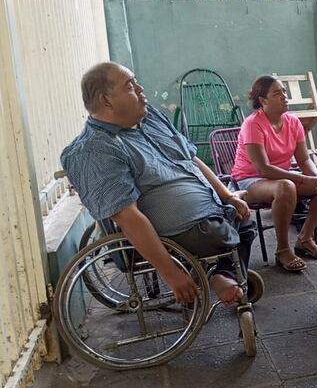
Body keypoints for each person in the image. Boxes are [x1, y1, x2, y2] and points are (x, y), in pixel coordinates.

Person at [62, 62, 255, 306]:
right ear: (106, 100)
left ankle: (221, 273)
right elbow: (127, 217)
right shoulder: (94, 151)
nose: (141, 89)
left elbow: (190, 157)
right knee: (230, 231)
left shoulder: (148, 116)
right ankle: (220, 273)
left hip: (213, 211)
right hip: (191, 228)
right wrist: (171, 275)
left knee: (243, 213)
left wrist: (227, 196)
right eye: (130, 86)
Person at [230, 75, 317, 272]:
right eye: (277, 94)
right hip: (249, 181)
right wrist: (302, 178)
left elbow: (304, 160)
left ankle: (305, 239)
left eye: (284, 92)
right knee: (286, 186)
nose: (284, 97)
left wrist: (316, 176)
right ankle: (283, 250)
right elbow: (263, 168)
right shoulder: (253, 124)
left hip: (281, 178)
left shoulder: (293, 122)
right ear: (263, 101)